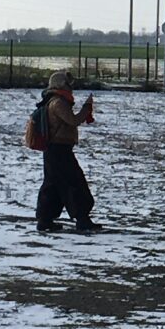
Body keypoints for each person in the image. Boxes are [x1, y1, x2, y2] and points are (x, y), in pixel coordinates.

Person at [35, 70, 100, 234]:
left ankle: (45, 220)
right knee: (74, 183)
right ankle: (82, 219)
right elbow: (73, 120)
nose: (71, 87)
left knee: (53, 186)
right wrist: (86, 108)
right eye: (67, 83)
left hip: (54, 150)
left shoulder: (53, 101)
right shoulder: (58, 102)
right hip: (59, 150)